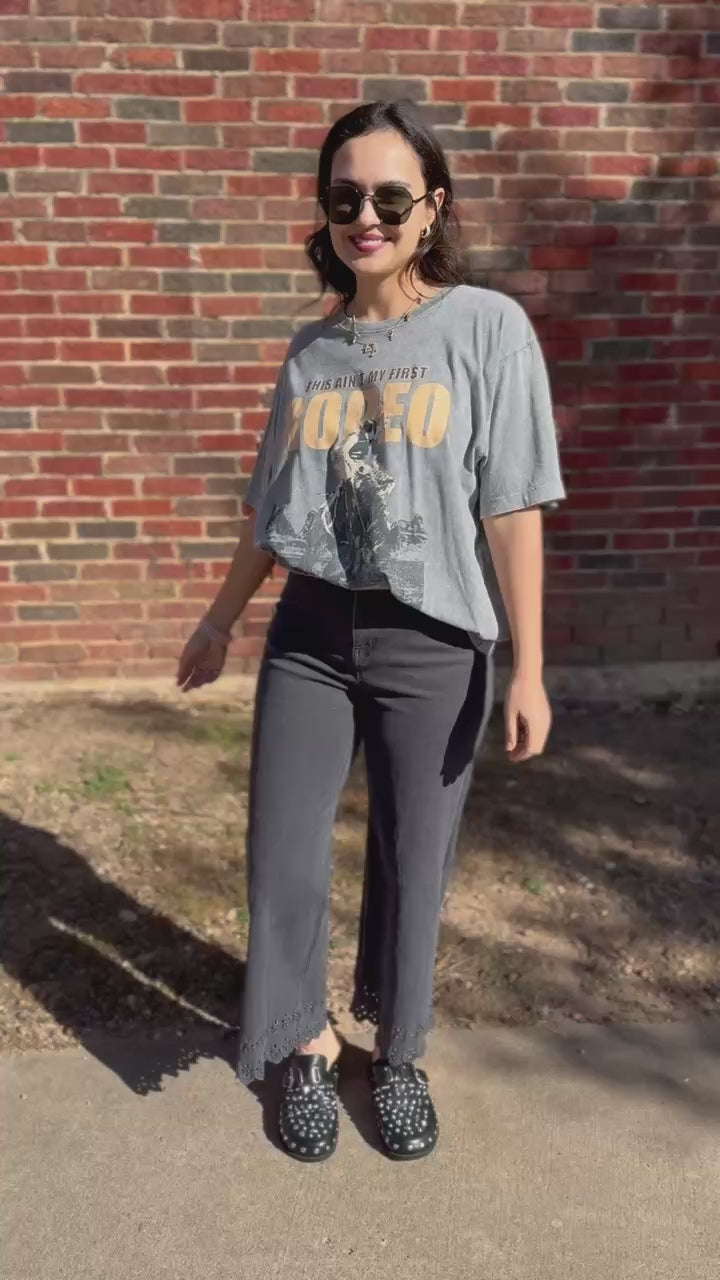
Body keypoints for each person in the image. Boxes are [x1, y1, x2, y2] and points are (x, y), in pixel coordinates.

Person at [175, 99, 566, 1163]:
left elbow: (514, 501)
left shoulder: (485, 328)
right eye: (346, 197)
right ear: (326, 208)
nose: (368, 217)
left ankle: (397, 1054)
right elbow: (274, 510)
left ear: (432, 206)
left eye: (391, 197)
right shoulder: (311, 351)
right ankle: (303, 1041)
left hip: (434, 635)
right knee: (285, 852)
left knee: (413, 855)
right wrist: (220, 620)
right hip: (309, 629)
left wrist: (529, 662)